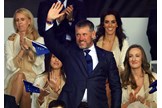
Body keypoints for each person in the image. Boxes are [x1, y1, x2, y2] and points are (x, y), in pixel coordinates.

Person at [44, 2, 122, 108]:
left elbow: (116, 86)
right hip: (70, 103)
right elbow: (51, 43)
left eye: (84, 34)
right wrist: (49, 21)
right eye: (78, 35)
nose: (81, 38)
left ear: (93, 34)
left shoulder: (107, 56)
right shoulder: (69, 52)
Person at [4, 8, 45, 108]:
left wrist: (28, 48)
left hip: (33, 78)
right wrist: (22, 51)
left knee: (26, 89)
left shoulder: (39, 39)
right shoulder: (11, 40)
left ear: (29, 21)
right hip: (15, 77)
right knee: (20, 77)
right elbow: (10, 67)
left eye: (22, 19)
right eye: (17, 20)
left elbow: (39, 63)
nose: (19, 23)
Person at [95, 10, 129, 107]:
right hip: (97, 78)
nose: (110, 25)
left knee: (109, 87)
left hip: (116, 78)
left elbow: (123, 66)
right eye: (107, 22)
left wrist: (109, 77)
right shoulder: (95, 41)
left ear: (117, 24)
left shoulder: (123, 43)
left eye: (113, 22)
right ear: (103, 24)